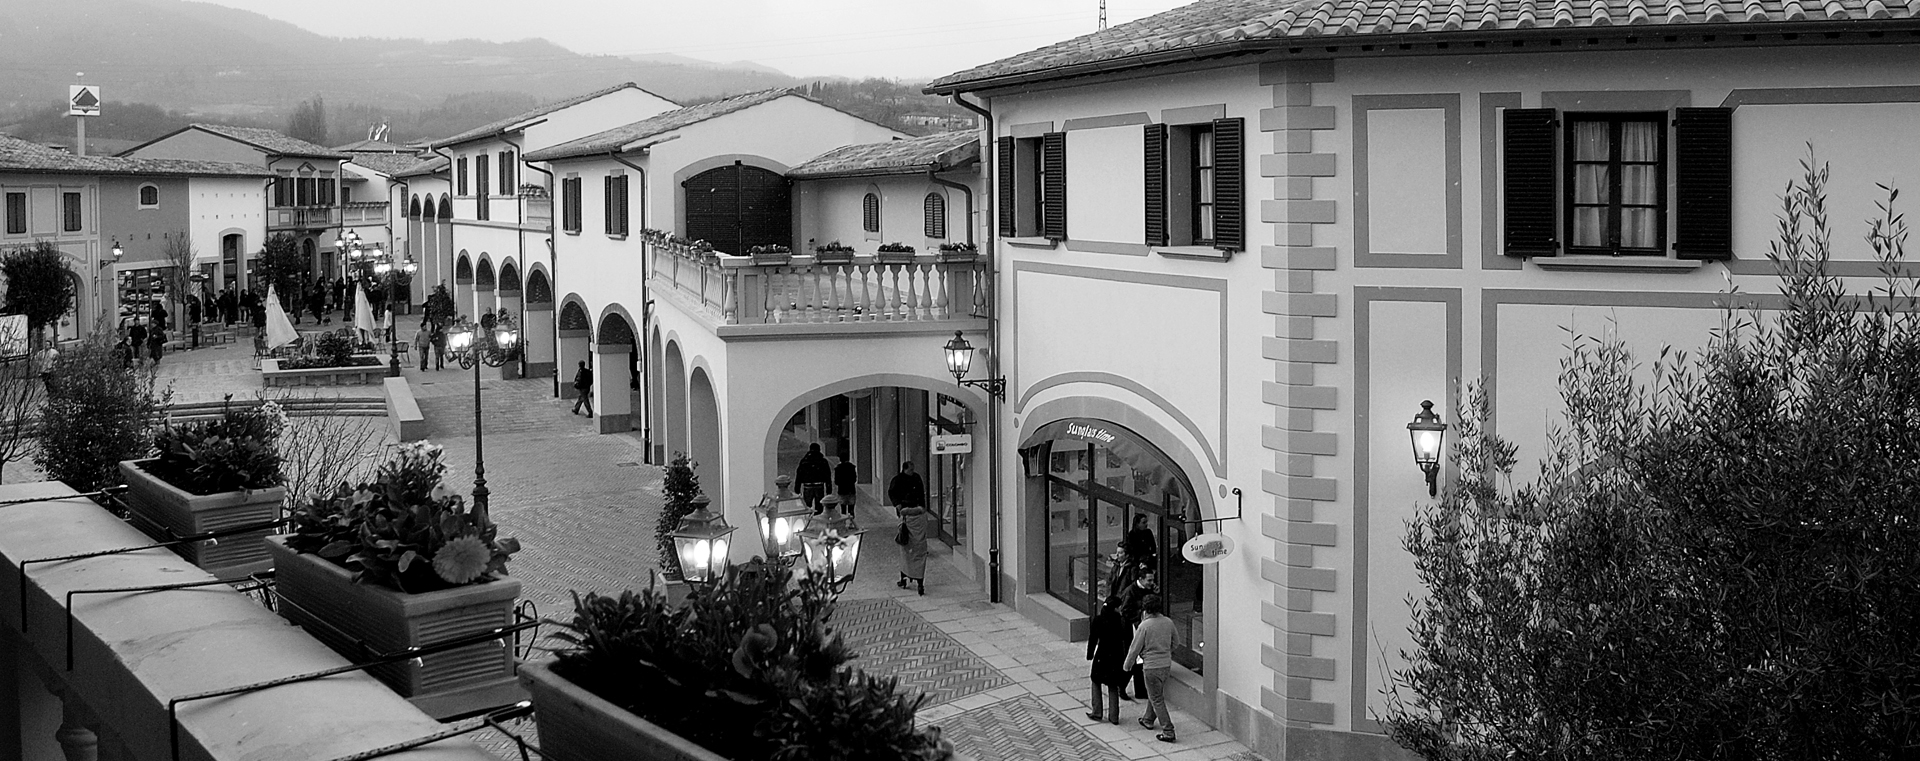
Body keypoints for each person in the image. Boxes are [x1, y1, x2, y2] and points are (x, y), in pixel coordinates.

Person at [1124, 594, 1177, 743]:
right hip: (1166, 665)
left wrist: (1127, 665)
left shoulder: (1144, 626)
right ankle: (1148, 719)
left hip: (1151, 666)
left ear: (1145, 609)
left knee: (1157, 698)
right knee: (1155, 694)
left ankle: (1168, 730)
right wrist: (1166, 652)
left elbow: (1134, 649)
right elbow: (1176, 642)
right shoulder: (1168, 622)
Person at [1086, 595, 1133, 724]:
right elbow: (1128, 639)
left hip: (1102, 655)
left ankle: (1097, 712)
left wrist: (1090, 654)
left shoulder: (1099, 619)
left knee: (1096, 680)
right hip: (1117, 656)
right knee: (1113, 685)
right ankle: (1114, 716)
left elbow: (1093, 638)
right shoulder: (1122, 621)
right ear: (1116, 608)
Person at [1121, 565, 1158, 700]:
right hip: (1133, 630)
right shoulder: (1130, 591)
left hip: (1142, 628)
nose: (1152, 583)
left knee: (1140, 661)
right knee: (1134, 659)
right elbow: (1125, 611)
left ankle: (1140, 691)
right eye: (1149, 580)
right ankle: (1122, 685)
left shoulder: (1149, 590)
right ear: (1141, 579)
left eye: (1152, 580)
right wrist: (1141, 615)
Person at [895, 490, 933, 595]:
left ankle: (903, 579)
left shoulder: (905, 516)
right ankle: (920, 583)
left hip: (908, 543)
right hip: (920, 543)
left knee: (905, 559)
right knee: (919, 561)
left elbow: (900, 528)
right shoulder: (923, 515)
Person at [795, 443, 832, 513]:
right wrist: (829, 489)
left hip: (807, 485)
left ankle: (808, 520)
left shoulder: (804, 461)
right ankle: (818, 518)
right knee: (819, 506)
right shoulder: (822, 461)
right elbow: (827, 475)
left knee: (807, 506)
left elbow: (799, 474)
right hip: (819, 485)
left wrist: (797, 488)